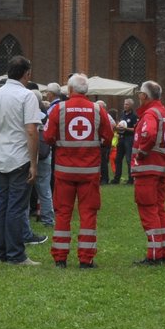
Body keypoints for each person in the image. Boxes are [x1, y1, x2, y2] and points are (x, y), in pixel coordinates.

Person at [43, 73, 112, 268]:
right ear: (87, 91)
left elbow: (47, 136)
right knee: (88, 213)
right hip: (89, 172)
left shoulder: (59, 109)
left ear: (70, 90)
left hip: (64, 171)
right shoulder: (98, 110)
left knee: (63, 213)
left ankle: (60, 258)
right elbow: (108, 137)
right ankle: (86, 258)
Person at [0, 58, 42, 266]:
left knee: (2, 203)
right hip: (18, 156)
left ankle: (0, 251)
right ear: (26, 74)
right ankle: (16, 255)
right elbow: (31, 130)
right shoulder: (27, 96)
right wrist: (34, 163)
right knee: (16, 207)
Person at [130, 79, 165, 265]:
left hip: (147, 169)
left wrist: (141, 153)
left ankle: (154, 254)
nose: (139, 96)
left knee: (148, 211)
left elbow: (148, 134)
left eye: (140, 93)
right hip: (161, 169)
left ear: (144, 96)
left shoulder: (150, 114)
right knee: (160, 210)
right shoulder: (164, 113)